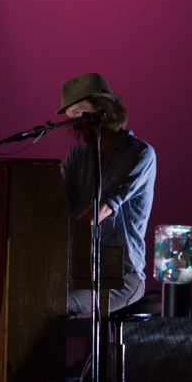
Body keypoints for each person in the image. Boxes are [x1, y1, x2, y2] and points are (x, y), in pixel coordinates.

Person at [59, 72, 156, 315]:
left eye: (79, 114)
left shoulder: (140, 153)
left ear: (103, 110)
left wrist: (60, 241)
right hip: (79, 272)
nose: (75, 125)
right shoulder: (77, 156)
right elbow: (56, 205)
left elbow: (101, 209)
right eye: (70, 119)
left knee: (56, 304)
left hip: (122, 277)